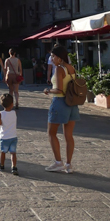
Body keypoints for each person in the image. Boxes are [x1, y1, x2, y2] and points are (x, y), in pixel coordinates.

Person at [44, 44, 78, 174]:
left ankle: (58, 162)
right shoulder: (71, 68)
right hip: (72, 103)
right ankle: (69, 164)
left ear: (59, 57)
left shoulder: (59, 69)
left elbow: (58, 89)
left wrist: (48, 90)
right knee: (68, 136)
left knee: (51, 133)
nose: (51, 58)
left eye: (53, 56)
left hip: (59, 102)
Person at [0, 93, 18, 175]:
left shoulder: (1, 113)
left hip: (4, 136)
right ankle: (14, 167)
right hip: (13, 136)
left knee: (3, 152)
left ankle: (2, 165)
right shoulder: (14, 113)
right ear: (12, 104)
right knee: (13, 153)